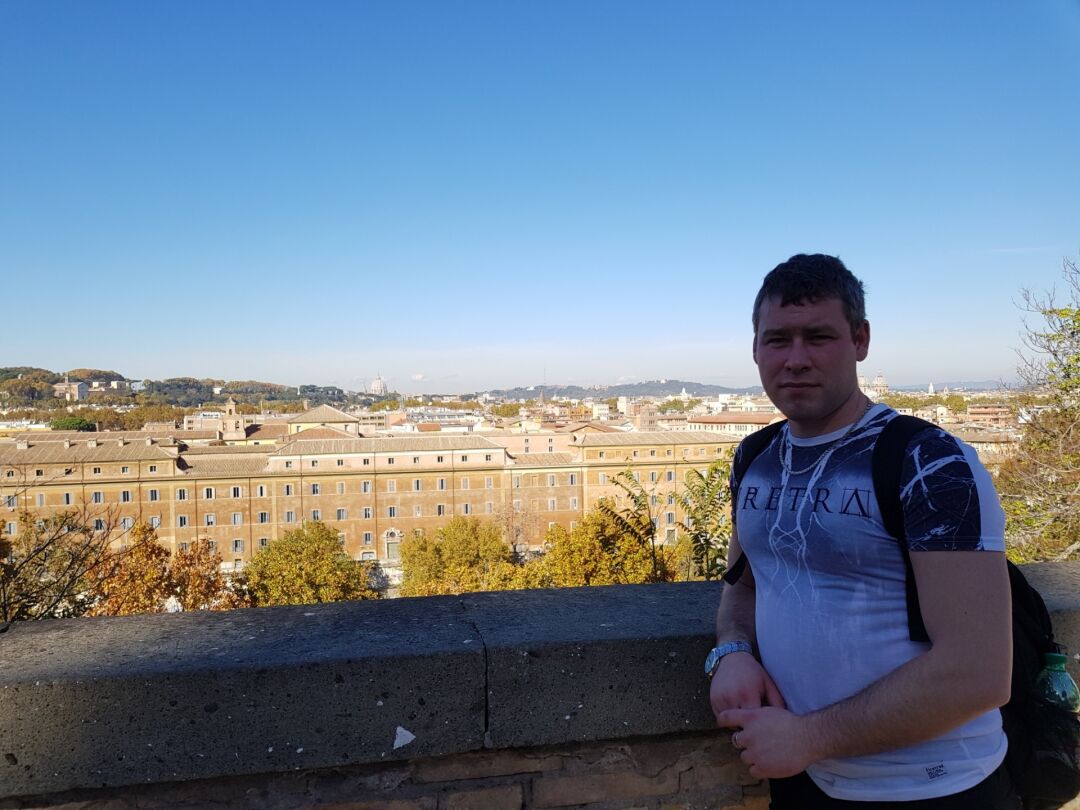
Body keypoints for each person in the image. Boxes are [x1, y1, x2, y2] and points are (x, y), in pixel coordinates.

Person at [707, 254, 1018, 808]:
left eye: (819, 337)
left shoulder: (929, 462)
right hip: (804, 775)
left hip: (933, 785)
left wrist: (808, 737)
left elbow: (979, 671)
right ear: (755, 348)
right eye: (777, 340)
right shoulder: (755, 458)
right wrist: (732, 651)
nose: (795, 359)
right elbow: (745, 584)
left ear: (860, 340)